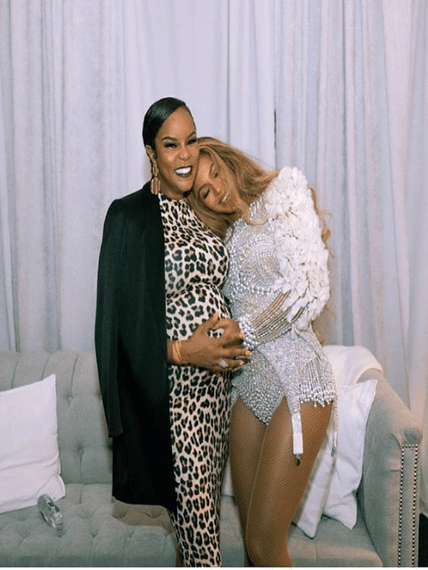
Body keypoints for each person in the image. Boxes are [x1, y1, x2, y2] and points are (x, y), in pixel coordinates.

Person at [95, 100, 250, 567]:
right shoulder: (129, 216)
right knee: (204, 549)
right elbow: (114, 329)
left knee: (196, 536)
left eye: (190, 141)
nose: (184, 155)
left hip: (215, 401)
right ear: (151, 153)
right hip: (174, 406)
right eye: (170, 144)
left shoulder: (201, 208)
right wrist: (185, 351)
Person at [187, 137, 337, 567]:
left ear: (228, 161)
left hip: (301, 383)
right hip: (249, 388)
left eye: (216, 173)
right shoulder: (218, 235)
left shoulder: (283, 192)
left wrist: (245, 331)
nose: (216, 190)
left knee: (267, 543)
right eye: (204, 191)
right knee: (253, 546)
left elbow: (309, 289)